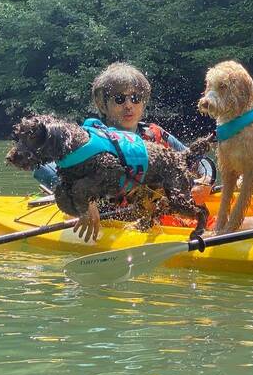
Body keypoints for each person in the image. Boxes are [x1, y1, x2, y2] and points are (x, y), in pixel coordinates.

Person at [35, 62, 213, 241]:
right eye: (120, 99)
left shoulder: (155, 134)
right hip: (111, 227)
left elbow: (200, 161)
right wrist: (83, 200)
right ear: (102, 104)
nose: (129, 105)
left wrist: (205, 181)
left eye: (135, 98)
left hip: (155, 222)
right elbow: (42, 167)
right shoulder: (88, 138)